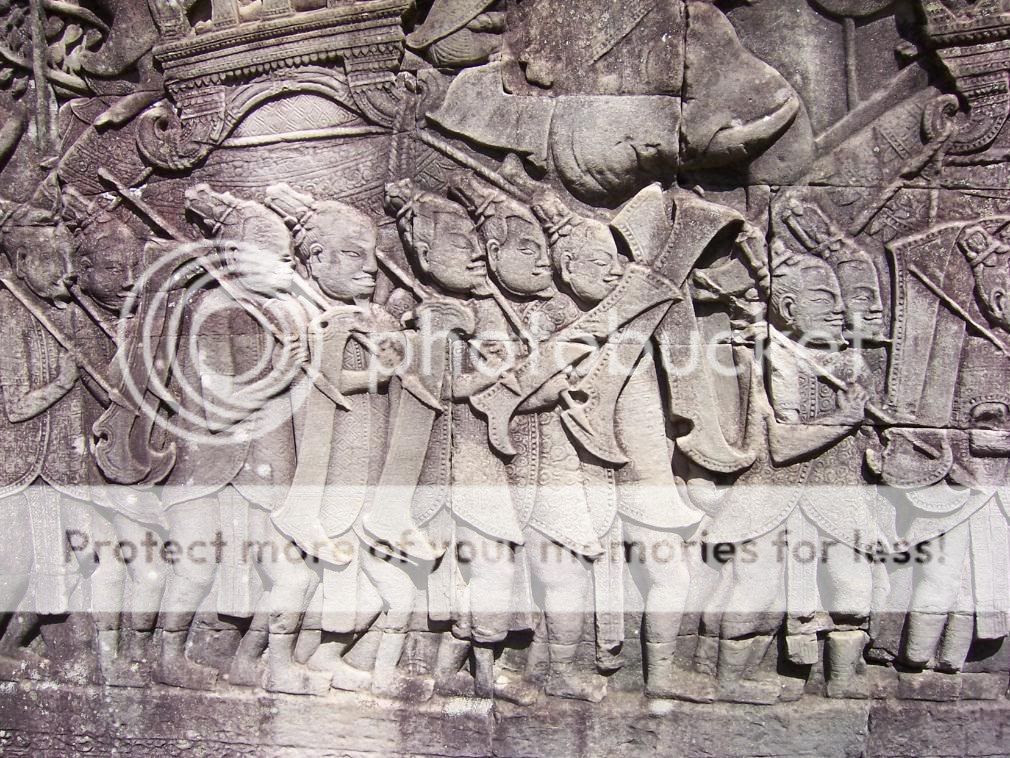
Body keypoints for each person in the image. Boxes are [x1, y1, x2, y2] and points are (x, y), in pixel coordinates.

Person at [156, 184, 322, 694]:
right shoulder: (214, 309)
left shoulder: (279, 310)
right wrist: (287, 368)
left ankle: (255, 660)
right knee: (196, 569)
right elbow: (221, 407)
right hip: (209, 470)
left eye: (288, 257)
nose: (287, 266)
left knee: (294, 576)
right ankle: (166, 658)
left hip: (260, 472)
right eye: (273, 257)